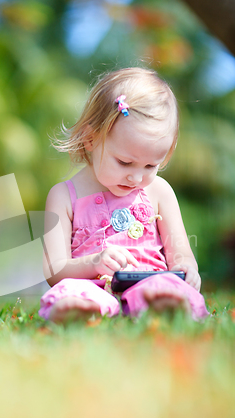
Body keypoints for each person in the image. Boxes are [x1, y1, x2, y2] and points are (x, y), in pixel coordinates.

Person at [39, 67, 209, 323]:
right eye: (124, 162)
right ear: (90, 139)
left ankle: (163, 307)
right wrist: (93, 263)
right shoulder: (63, 196)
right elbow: (54, 269)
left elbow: (181, 253)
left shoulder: (159, 191)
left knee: (164, 288)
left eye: (151, 166)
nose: (138, 178)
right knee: (74, 292)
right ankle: (81, 310)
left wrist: (186, 268)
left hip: (151, 283)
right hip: (91, 285)